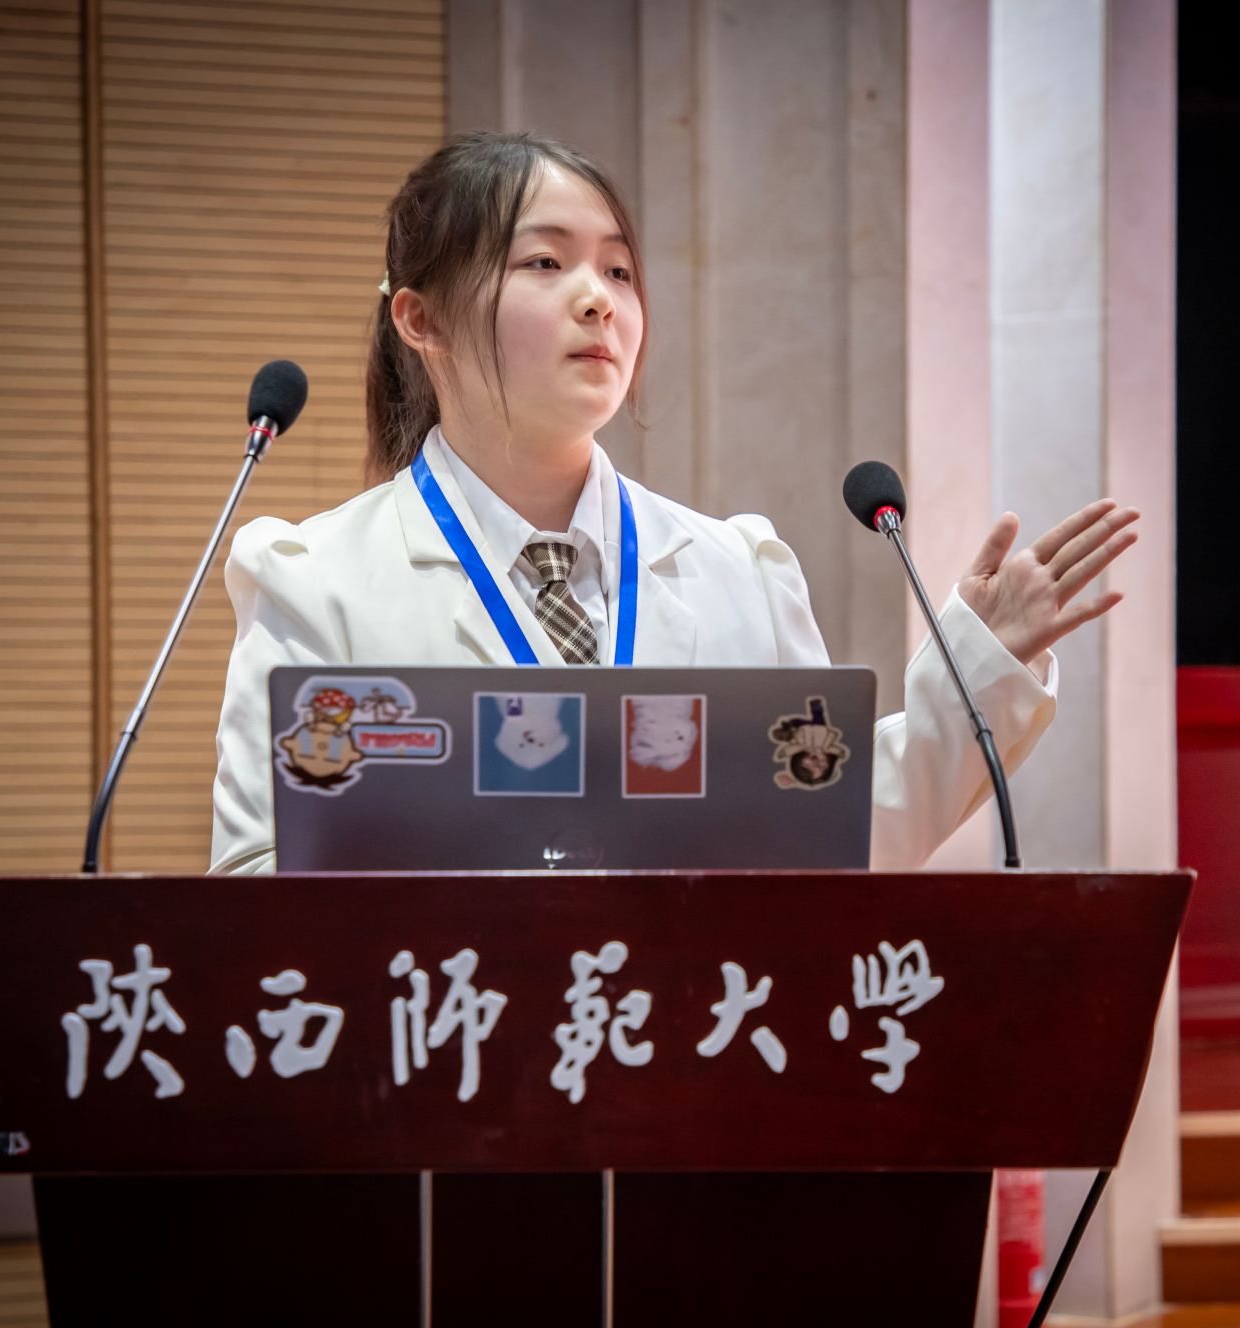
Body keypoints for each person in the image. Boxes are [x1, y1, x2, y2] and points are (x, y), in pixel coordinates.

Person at [208, 132, 1139, 874]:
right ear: (423, 320)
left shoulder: (740, 570)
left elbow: (830, 837)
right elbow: (256, 880)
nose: (598, 301)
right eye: (545, 263)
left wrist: (979, 670)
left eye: (618, 271)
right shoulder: (315, 579)